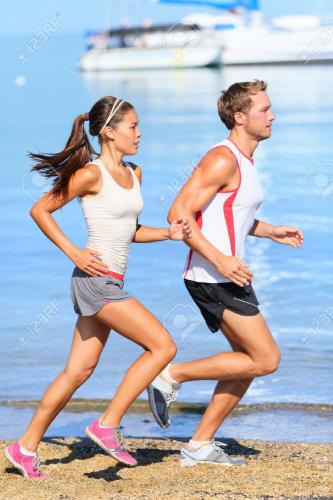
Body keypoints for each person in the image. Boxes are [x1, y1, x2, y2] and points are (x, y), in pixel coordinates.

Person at [3, 96, 191, 479]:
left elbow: (130, 231)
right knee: (163, 346)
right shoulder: (90, 174)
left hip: (110, 281)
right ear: (109, 132)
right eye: (132, 127)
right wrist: (74, 252)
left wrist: (169, 234)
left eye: (138, 127)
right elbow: (40, 209)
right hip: (95, 282)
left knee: (78, 371)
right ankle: (107, 425)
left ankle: (24, 448)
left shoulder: (134, 172)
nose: (139, 133)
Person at [148, 80, 304, 466]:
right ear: (239, 117)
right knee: (266, 359)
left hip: (225, 275)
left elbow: (230, 215)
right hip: (213, 276)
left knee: (245, 362)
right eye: (264, 110)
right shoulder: (223, 158)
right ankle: (171, 375)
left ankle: (200, 444)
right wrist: (219, 260)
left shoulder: (243, 161)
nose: (273, 116)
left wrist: (270, 231)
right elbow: (178, 216)